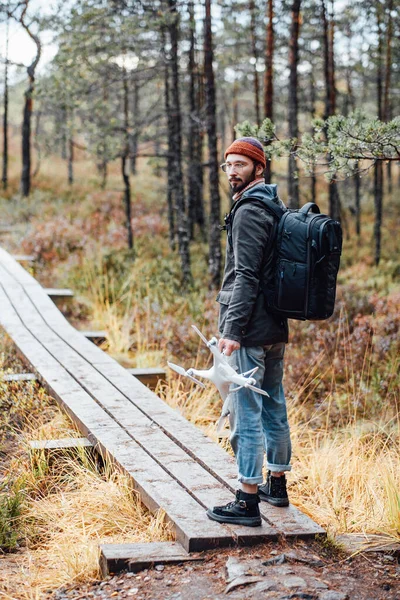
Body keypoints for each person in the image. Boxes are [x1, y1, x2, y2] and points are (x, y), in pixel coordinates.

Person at [206, 137, 292, 528]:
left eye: (241, 164)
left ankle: (247, 499)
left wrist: (233, 330)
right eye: (228, 165)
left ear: (259, 168)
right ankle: (277, 483)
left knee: (246, 412)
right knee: (274, 402)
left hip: (251, 330)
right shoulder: (274, 204)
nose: (232, 171)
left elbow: (246, 275)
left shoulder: (249, 211)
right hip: (275, 325)